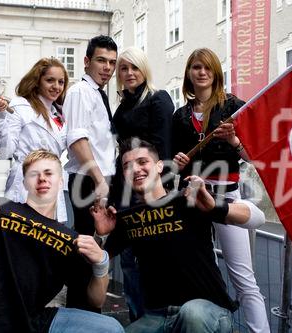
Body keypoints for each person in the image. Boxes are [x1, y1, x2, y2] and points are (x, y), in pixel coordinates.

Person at [0, 150, 124, 333]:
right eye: (34, 174)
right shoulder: (0, 209)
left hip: (32, 322)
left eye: (49, 173)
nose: (42, 178)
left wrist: (102, 260)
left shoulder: (70, 239)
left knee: (111, 328)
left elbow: (96, 300)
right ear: (25, 182)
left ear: (61, 181)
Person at [91, 138, 266, 333]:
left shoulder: (189, 200)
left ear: (159, 166)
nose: (136, 170)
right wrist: (101, 234)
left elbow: (258, 218)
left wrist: (215, 206)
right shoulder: (130, 218)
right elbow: (98, 260)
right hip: (157, 317)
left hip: (207, 313)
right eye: (127, 166)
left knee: (193, 314)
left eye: (142, 162)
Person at [172, 48, 270, 333]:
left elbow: (255, 157)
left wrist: (236, 141)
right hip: (192, 199)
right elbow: (174, 165)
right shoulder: (180, 116)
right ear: (189, 73)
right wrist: (178, 163)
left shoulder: (233, 107)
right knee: (204, 273)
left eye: (208, 68)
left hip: (227, 197)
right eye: (196, 67)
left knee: (243, 277)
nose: (202, 73)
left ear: (216, 73)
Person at [111, 46, 175, 321]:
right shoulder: (122, 105)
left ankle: (159, 317)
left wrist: (158, 191)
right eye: (123, 68)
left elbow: (164, 147)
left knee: (156, 258)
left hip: (152, 189)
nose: (129, 73)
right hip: (124, 189)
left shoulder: (158, 99)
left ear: (144, 69)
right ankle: (138, 318)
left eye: (134, 67)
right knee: (127, 259)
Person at [63, 35, 118, 310]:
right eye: (101, 60)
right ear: (86, 61)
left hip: (98, 179)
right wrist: (99, 181)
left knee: (95, 248)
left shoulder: (97, 92)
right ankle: (80, 314)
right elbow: (77, 139)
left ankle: (88, 313)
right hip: (88, 181)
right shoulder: (80, 91)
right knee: (85, 250)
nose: (107, 67)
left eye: (112, 62)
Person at [0, 57, 70, 223]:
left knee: (48, 238)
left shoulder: (60, 114)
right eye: (50, 80)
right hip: (26, 182)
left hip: (51, 182)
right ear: (37, 81)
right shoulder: (20, 108)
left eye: (61, 82)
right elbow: (5, 151)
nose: (56, 87)